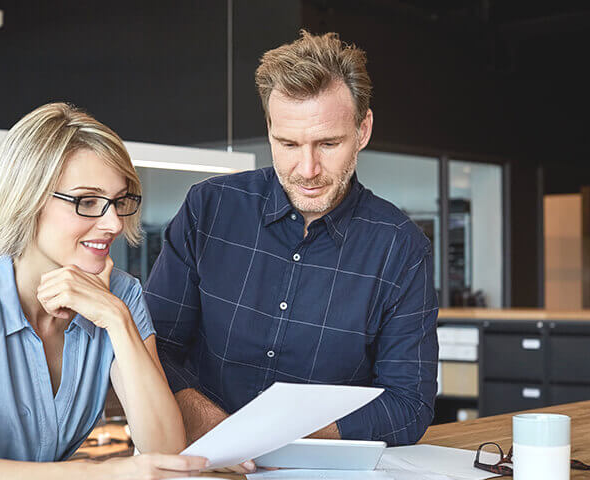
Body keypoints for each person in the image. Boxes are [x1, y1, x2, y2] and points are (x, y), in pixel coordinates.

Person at [145, 30, 439, 473]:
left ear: (363, 130)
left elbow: (409, 404)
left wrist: (276, 438)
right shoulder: (209, 208)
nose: (308, 169)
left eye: (328, 143)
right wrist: (214, 428)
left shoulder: (401, 247)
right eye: (288, 144)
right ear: (269, 131)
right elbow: (155, 347)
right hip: (201, 465)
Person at [0, 103, 208, 479]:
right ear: (28, 200)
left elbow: (165, 451)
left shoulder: (121, 296)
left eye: (119, 201)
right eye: (87, 202)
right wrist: (99, 474)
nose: (112, 223)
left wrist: (116, 319)